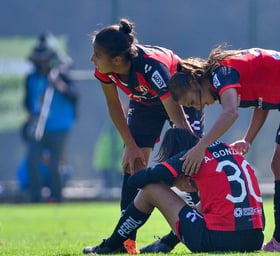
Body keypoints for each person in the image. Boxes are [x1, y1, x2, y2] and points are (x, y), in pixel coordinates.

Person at [166, 46, 280, 252]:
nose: (201, 107)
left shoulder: (222, 73)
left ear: (194, 81)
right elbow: (262, 101)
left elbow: (230, 113)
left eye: (194, 101)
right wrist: (248, 139)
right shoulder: (223, 71)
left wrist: (201, 147)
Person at [90, 18, 204, 253]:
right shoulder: (105, 71)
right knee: (133, 165)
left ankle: (190, 234)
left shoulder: (152, 69)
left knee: (190, 162)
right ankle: (125, 243)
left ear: (117, 60)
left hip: (180, 98)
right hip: (144, 103)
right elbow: (114, 106)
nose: (92, 59)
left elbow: (180, 121)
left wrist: (188, 153)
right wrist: (130, 145)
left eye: (97, 55)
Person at [82, 128, 264, 254]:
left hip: (218, 240)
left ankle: (109, 247)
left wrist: (167, 175)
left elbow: (135, 180)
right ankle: (165, 244)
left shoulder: (189, 157)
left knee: (150, 189)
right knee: (203, 208)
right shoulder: (228, 150)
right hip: (255, 238)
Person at [24, 32, 78, 203]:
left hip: (59, 127)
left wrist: (58, 84)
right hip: (38, 127)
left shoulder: (61, 75)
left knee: (55, 165)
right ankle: (36, 199)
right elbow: (28, 102)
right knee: (32, 161)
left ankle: (58, 197)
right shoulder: (31, 78)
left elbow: (74, 95)